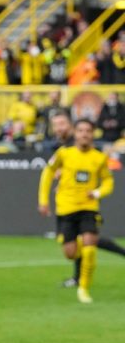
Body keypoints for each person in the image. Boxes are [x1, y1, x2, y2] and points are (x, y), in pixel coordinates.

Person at [45, 111, 125, 288]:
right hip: (66, 202)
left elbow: (86, 163)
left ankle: (78, 278)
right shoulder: (62, 145)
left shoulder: (76, 142)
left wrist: (94, 191)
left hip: (84, 201)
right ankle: (78, 277)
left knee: (86, 238)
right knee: (75, 242)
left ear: (70, 126)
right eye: (55, 125)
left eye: (61, 124)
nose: (58, 128)